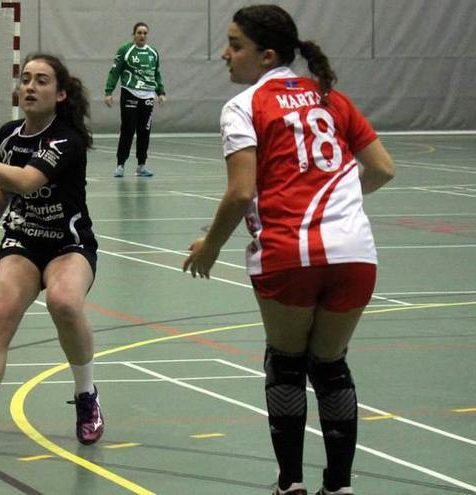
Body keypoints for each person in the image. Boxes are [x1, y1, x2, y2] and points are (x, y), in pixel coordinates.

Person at [182, 5, 394, 495]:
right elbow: (382, 168)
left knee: (286, 364)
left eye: (235, 45)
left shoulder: (244, 106)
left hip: (289, 254)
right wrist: (335, 203)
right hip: (355, 254)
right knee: (331, 365)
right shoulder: (330, 98)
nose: (225, 54)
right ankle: (339, 486)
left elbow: (240, 193)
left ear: (267, 55)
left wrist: (209, 248)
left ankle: (290, 484)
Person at [0, 53, 103, 453]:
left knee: (65, 302)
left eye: (42, 81)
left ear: (60, 94)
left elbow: (27, 181)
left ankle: (87, 396)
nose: (30, 87)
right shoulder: (10, 134)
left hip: (68, 242)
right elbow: (4, 186)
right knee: (0, 314)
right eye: (26, 79)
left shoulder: (66, 140)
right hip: (23, 239)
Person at [104, 21, 166, 178]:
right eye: (139, 33)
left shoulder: (153, 53)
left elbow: (156, 73)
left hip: (148, 95)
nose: (142, 36)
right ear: (134, 35)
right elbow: (115, 72)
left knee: (144, 131)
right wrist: (108, 91)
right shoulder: (126, 50)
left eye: (145, 33)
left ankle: (141, 165)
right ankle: (120, 165)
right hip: (130, 93)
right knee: (128, 130)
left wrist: (160, 92)